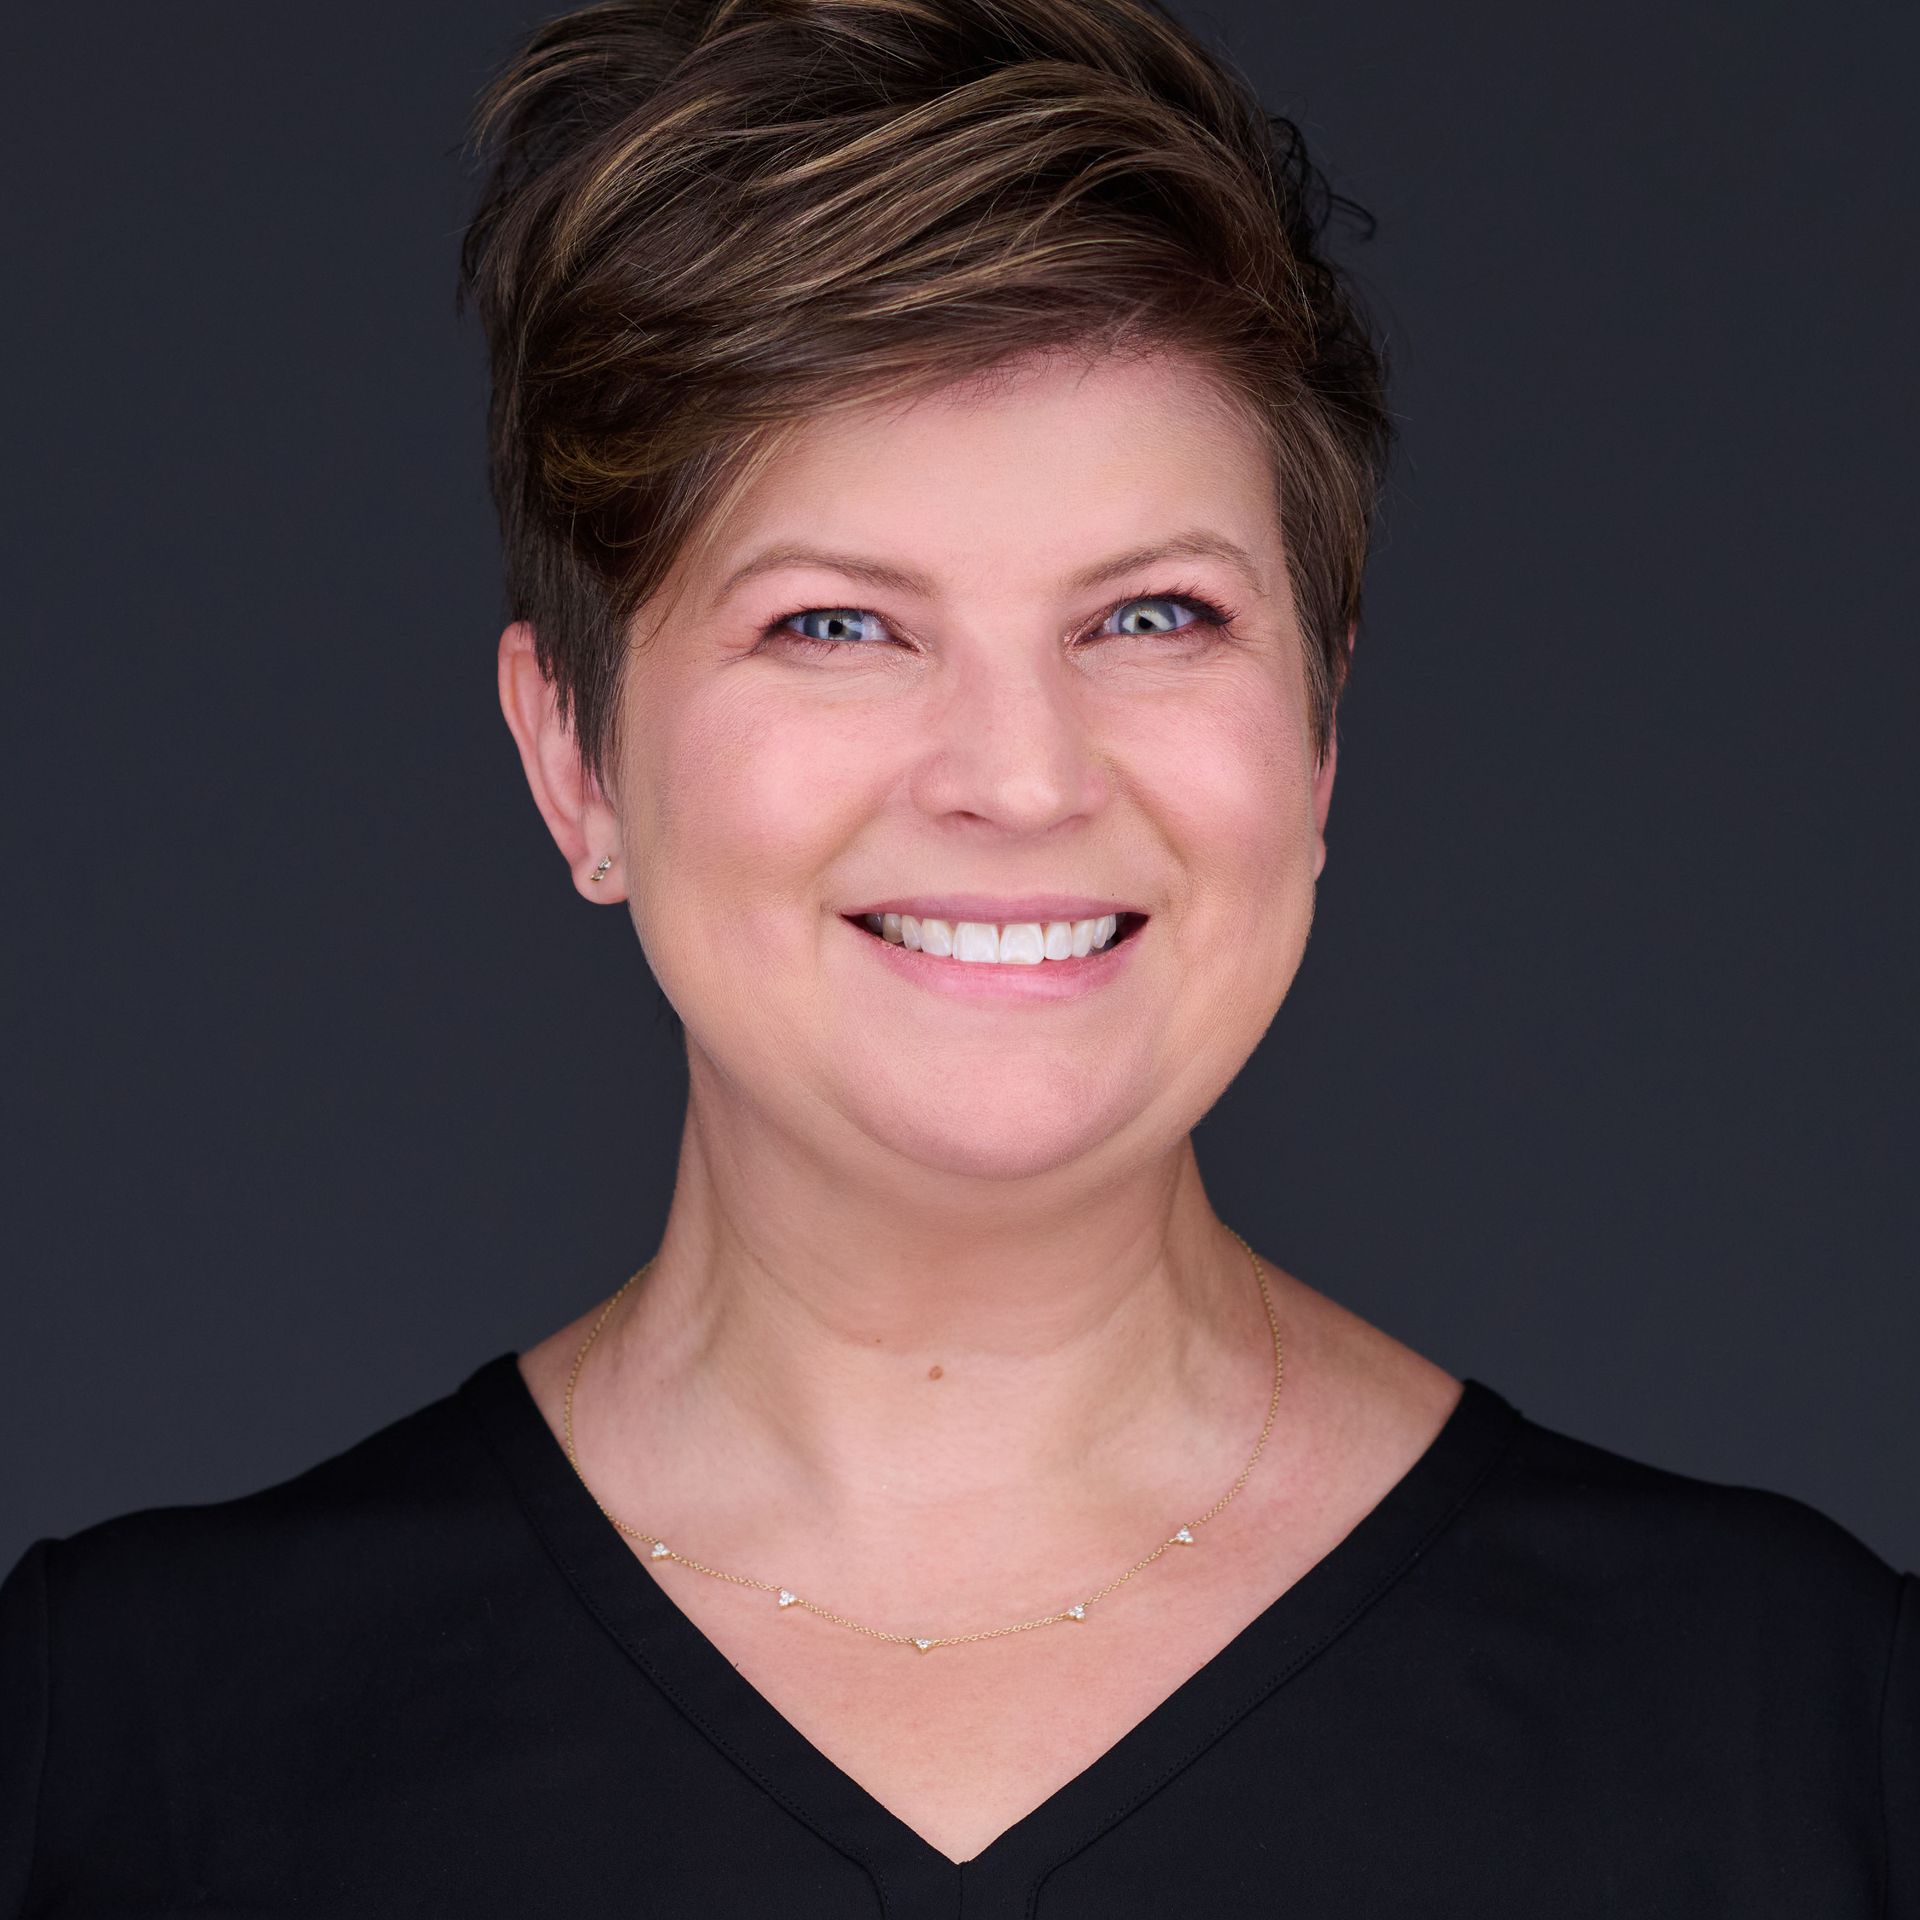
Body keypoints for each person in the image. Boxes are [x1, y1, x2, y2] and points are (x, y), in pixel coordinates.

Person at [1, 0, 1913, 1910]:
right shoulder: (128, 1748)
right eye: (836, 626)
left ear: (1321, 737)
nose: (1020, 777)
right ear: (573, 755)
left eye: (1153, 616)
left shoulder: (1801, 1723)